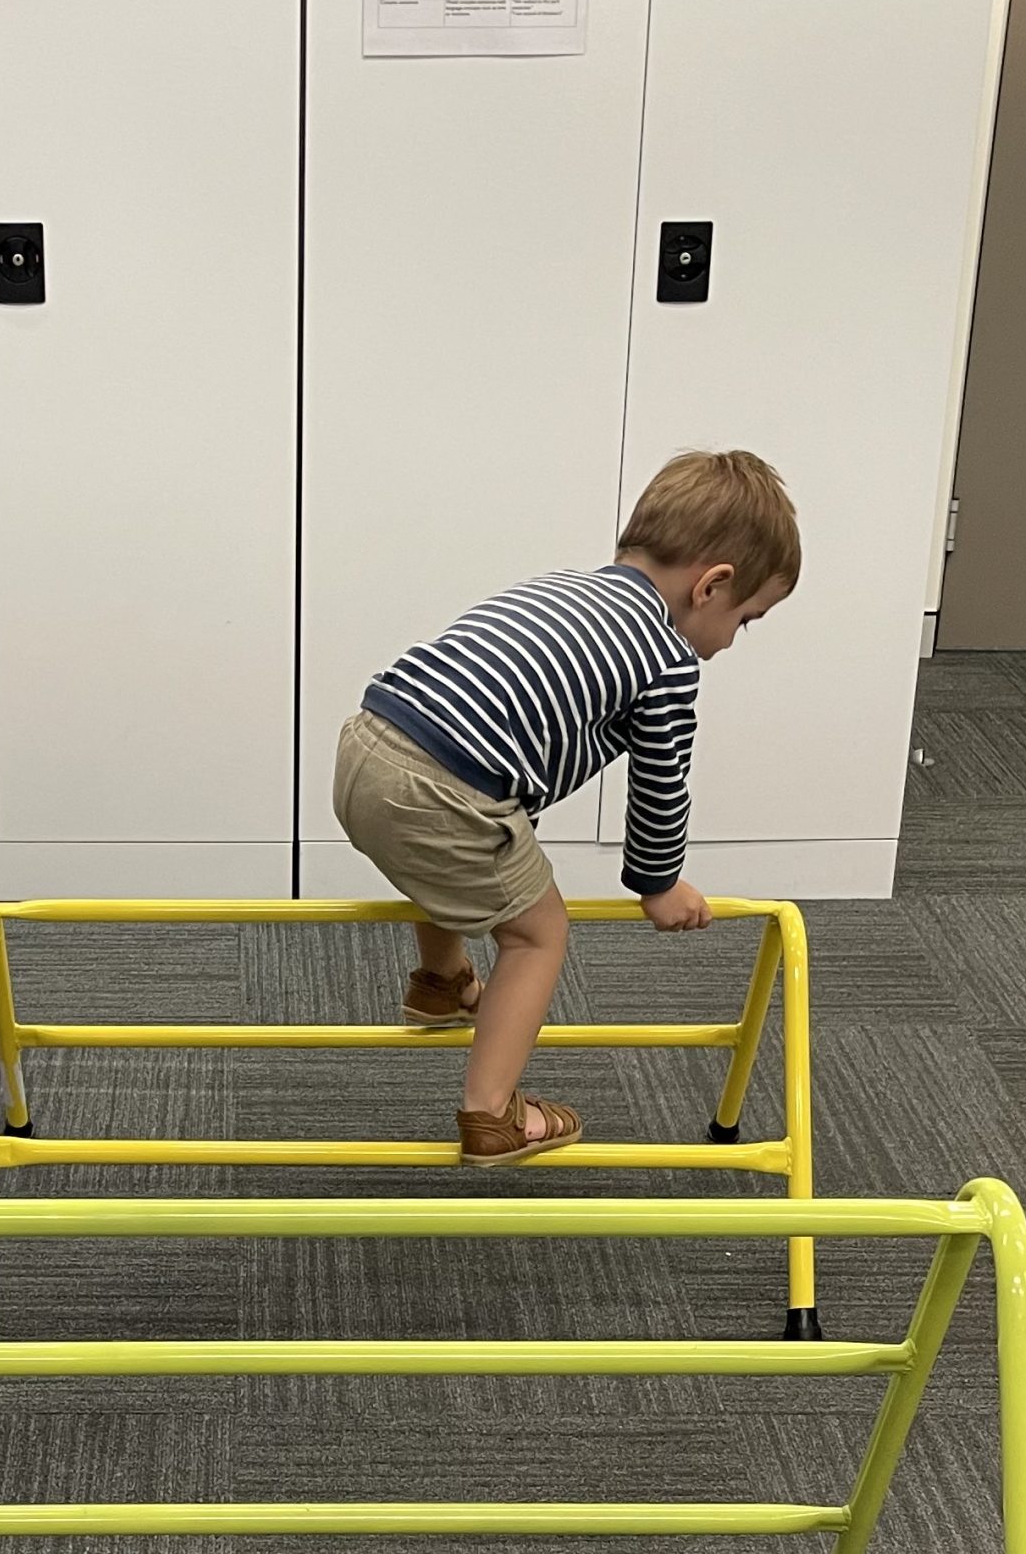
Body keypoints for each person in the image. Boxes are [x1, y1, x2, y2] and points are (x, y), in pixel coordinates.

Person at [333, 449, 800, 1165]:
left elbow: (512, 714)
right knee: (538, 933)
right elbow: (659, 784)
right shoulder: (666, 659)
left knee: (458, 861)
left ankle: (440, 981)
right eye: (748, 620)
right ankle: (491, 1116)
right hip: (444, 791)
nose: (734, 640)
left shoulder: (563, 591)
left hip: (367, 743)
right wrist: (658, 883)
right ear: (712, 586)